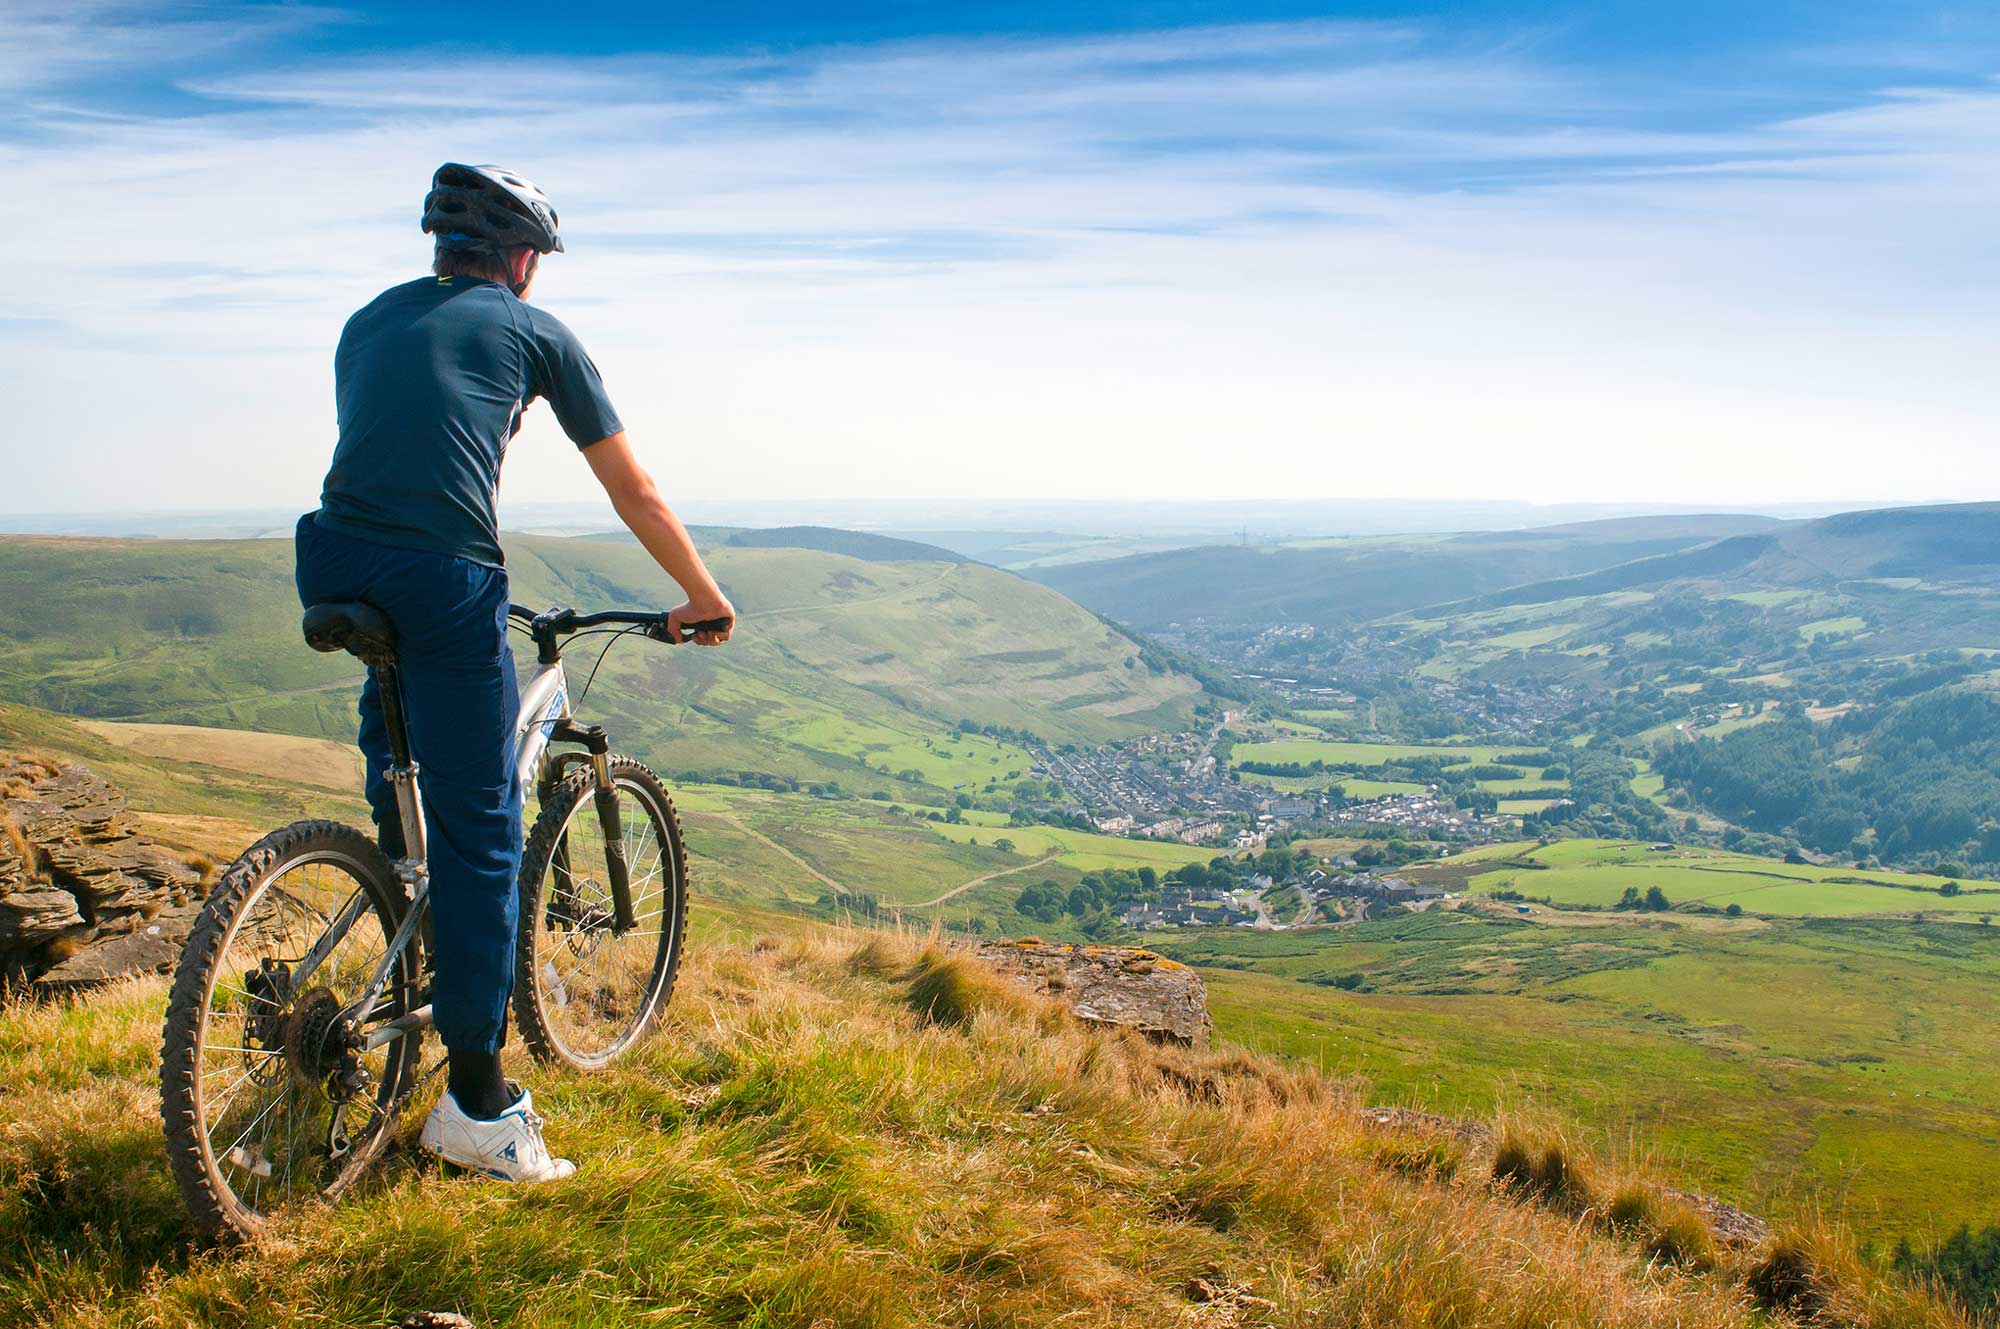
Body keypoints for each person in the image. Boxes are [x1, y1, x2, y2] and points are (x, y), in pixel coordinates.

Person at [296, 162, 734, 1181]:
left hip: (330, 558)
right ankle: (479, 1108)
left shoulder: (367, 319)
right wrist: (702, 595)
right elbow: (636, 489)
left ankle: (401, 888)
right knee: (486, 827)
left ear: (441, 247)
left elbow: (395, 445)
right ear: (524, 258)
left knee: (407, 756)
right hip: (443, 574)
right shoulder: (536, 331)